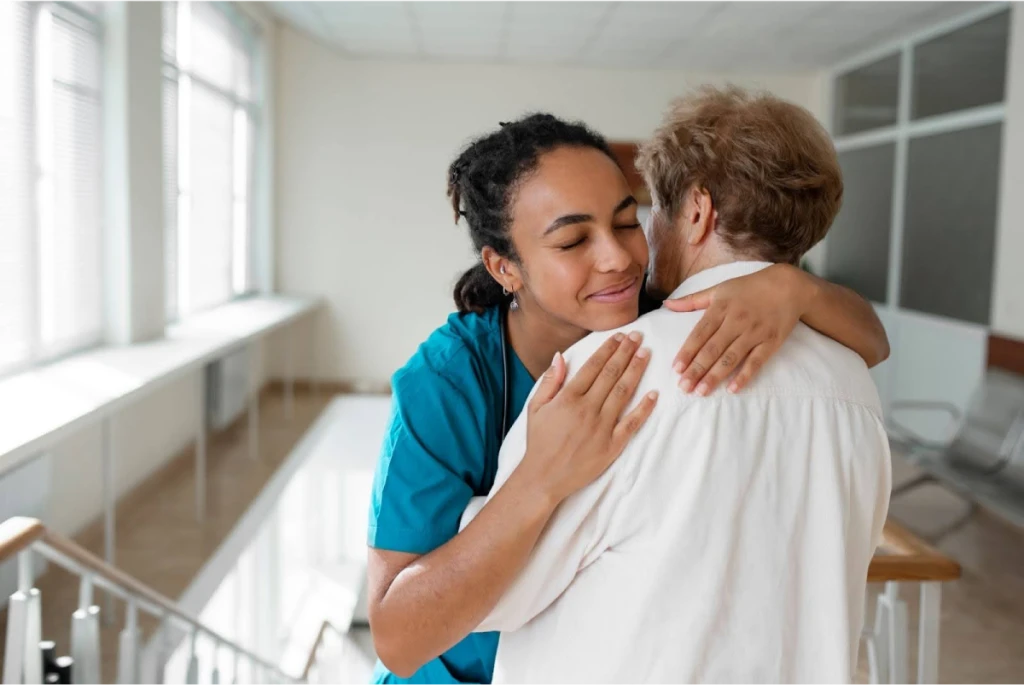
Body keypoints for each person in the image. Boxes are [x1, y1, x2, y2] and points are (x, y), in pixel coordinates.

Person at [367, 111, 889, 685]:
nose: (617, 258)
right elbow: (396, 635)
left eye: (626, 222)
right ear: (503, 267)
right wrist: (541, 478)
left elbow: (873, 342)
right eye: (571, 240)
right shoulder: (450, 380)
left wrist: (797, 285)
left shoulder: (656, 323)